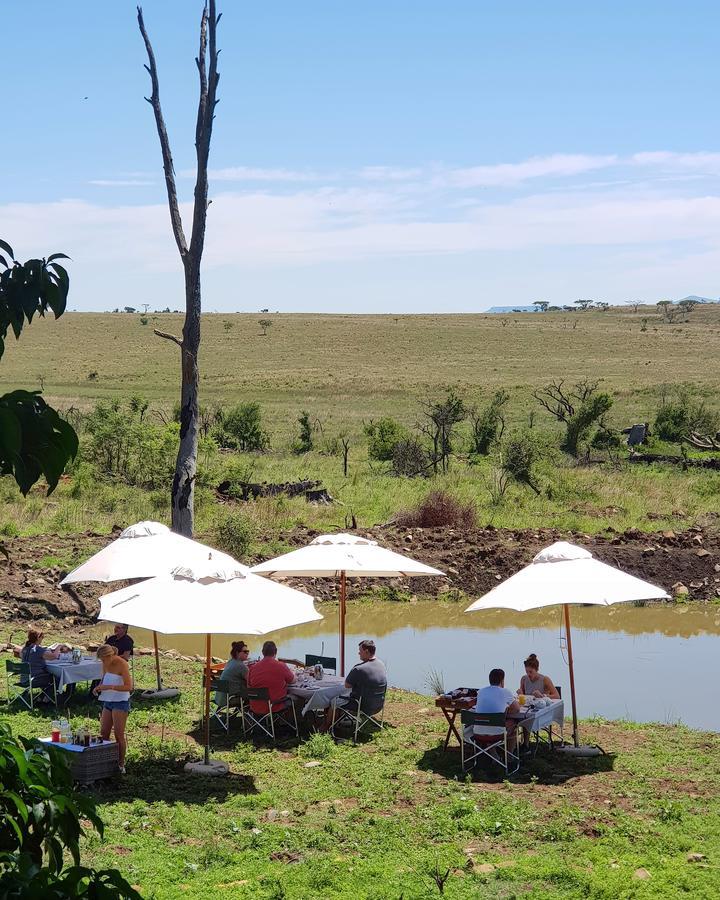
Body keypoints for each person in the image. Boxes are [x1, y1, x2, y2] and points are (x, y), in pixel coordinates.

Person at [320, 639, 387, 732]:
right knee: (344, 698)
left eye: (360, 651)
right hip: (378, 704)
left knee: (334, 701)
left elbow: (347, 685)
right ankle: (338, 720)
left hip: (362, 705)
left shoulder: (359, 669)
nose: (358, 653)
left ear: (366, 651)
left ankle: (327, 727)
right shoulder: (381, 664)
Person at [92, 644, 133, 773]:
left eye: (104, 660)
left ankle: (121, 764)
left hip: (120, 701)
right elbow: (104, 679)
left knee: (118, 734)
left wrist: (109, 687)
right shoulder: (105, 664)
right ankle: (106, 761)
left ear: (110, 656)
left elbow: (129, 687)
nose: (103, 662)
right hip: (107, 701)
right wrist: (98, 687)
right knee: (104, 732)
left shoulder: (122, 664)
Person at [474, 668, 520, 751]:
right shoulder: (505, 692)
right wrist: (505, 710)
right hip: (497, 733)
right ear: (502, 681)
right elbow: (517, 709)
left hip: (478, 732)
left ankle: (495, 757)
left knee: (490, 725)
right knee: (514, 724)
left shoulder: (480, 692)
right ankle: (509, 757)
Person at [247, 640, 295, 715]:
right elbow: (293, 681)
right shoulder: (281, 665)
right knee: (296, 697)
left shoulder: (252, 668)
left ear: (262, 652)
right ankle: (293, 723)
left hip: (255, 707)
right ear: (275, 652)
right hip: (274, 706)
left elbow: (249, 686)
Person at [16, 629, 62, 702]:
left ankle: (41, 697)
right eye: (42, 637)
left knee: (47, 677)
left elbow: (27, 657)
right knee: (57, 678)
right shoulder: (38, 650)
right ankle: (45, 699)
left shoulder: (24, 649)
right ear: (38, 638)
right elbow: (54, 656)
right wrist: (59, 646)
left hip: (24, 679)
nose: (42, 639)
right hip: (34, 679)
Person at [214, 640, 250, 707]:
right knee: (254, 694)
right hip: (230, 699)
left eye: (248, 651)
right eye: (245, 652)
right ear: (237, 653)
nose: (247, 654)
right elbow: (251, 682)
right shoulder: (241, 666)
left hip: (219, 698)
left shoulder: (230, 662)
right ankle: (249, 715)